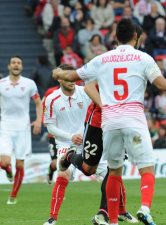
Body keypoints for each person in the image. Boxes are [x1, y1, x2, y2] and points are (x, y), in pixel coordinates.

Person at [51, 18, 166, 225]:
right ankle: (145, 209)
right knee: (146, 168)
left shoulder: (102, 59)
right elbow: (162, 85)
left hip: (109, 123)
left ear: (115, 37)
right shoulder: (144, 58)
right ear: (136, 37)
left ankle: (111, 221)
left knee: (114, 171)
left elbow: (74, 75)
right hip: (134, 120)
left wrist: (58, 72)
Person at [42, 64, 92, 225]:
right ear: (59, 78)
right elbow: (50, 127)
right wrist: (71, 136)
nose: (72, 80)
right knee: (63, 175)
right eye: (67, 77)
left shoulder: (85, 92)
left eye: (73, 76)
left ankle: (120, 212)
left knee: (108, 173)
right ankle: (52, 218)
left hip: (88, 142)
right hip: (65, 143)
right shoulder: (51, 99)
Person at [0, 56, 42, 204]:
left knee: (20, 164)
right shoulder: (0, 84)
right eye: (13, 63)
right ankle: (8, 171)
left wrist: (38, 120)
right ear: (8, 66)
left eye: (19, 63)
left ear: (21, 67)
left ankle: (13, 195)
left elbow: (38, 103)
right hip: (6, 127)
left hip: (23, 128)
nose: (16, 65)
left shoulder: (29, 84)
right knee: (5, 162)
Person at [42, 85, 60, 185]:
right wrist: (43, 119)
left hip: (67, 135)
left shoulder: (76, 91)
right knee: (55, 163)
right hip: (53, 135)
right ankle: (50, 170)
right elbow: (43, 105)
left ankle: (60, 189)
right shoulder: (51, 91)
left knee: (64, 166)